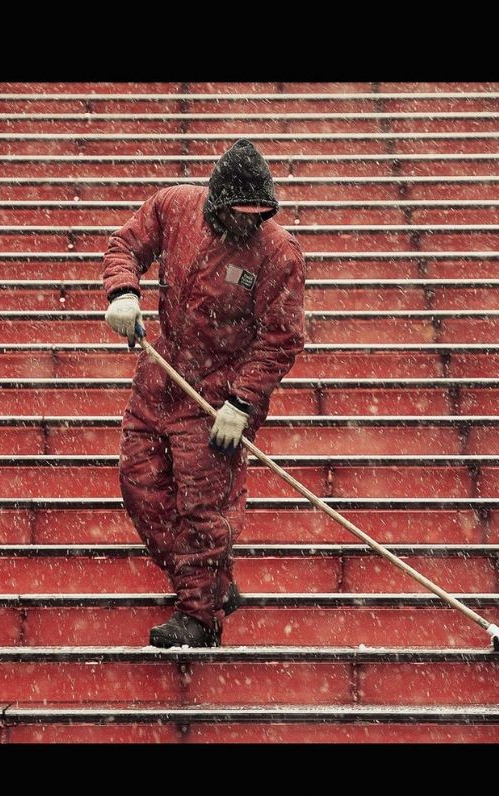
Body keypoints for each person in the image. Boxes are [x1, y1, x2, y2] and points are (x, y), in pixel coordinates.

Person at [101, 139, 306, 647]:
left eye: (260, 214)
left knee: (203, 506)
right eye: (241, 214)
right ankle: (211, 581)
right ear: (218, 205)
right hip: (160, 380)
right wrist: (123, 292)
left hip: (217, 402)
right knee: (139, 485)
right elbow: (125, 245)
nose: (250, 223)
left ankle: (199, 615)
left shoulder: (278, 253)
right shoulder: (174, 206)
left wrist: (242, 403)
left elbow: (281, 336)